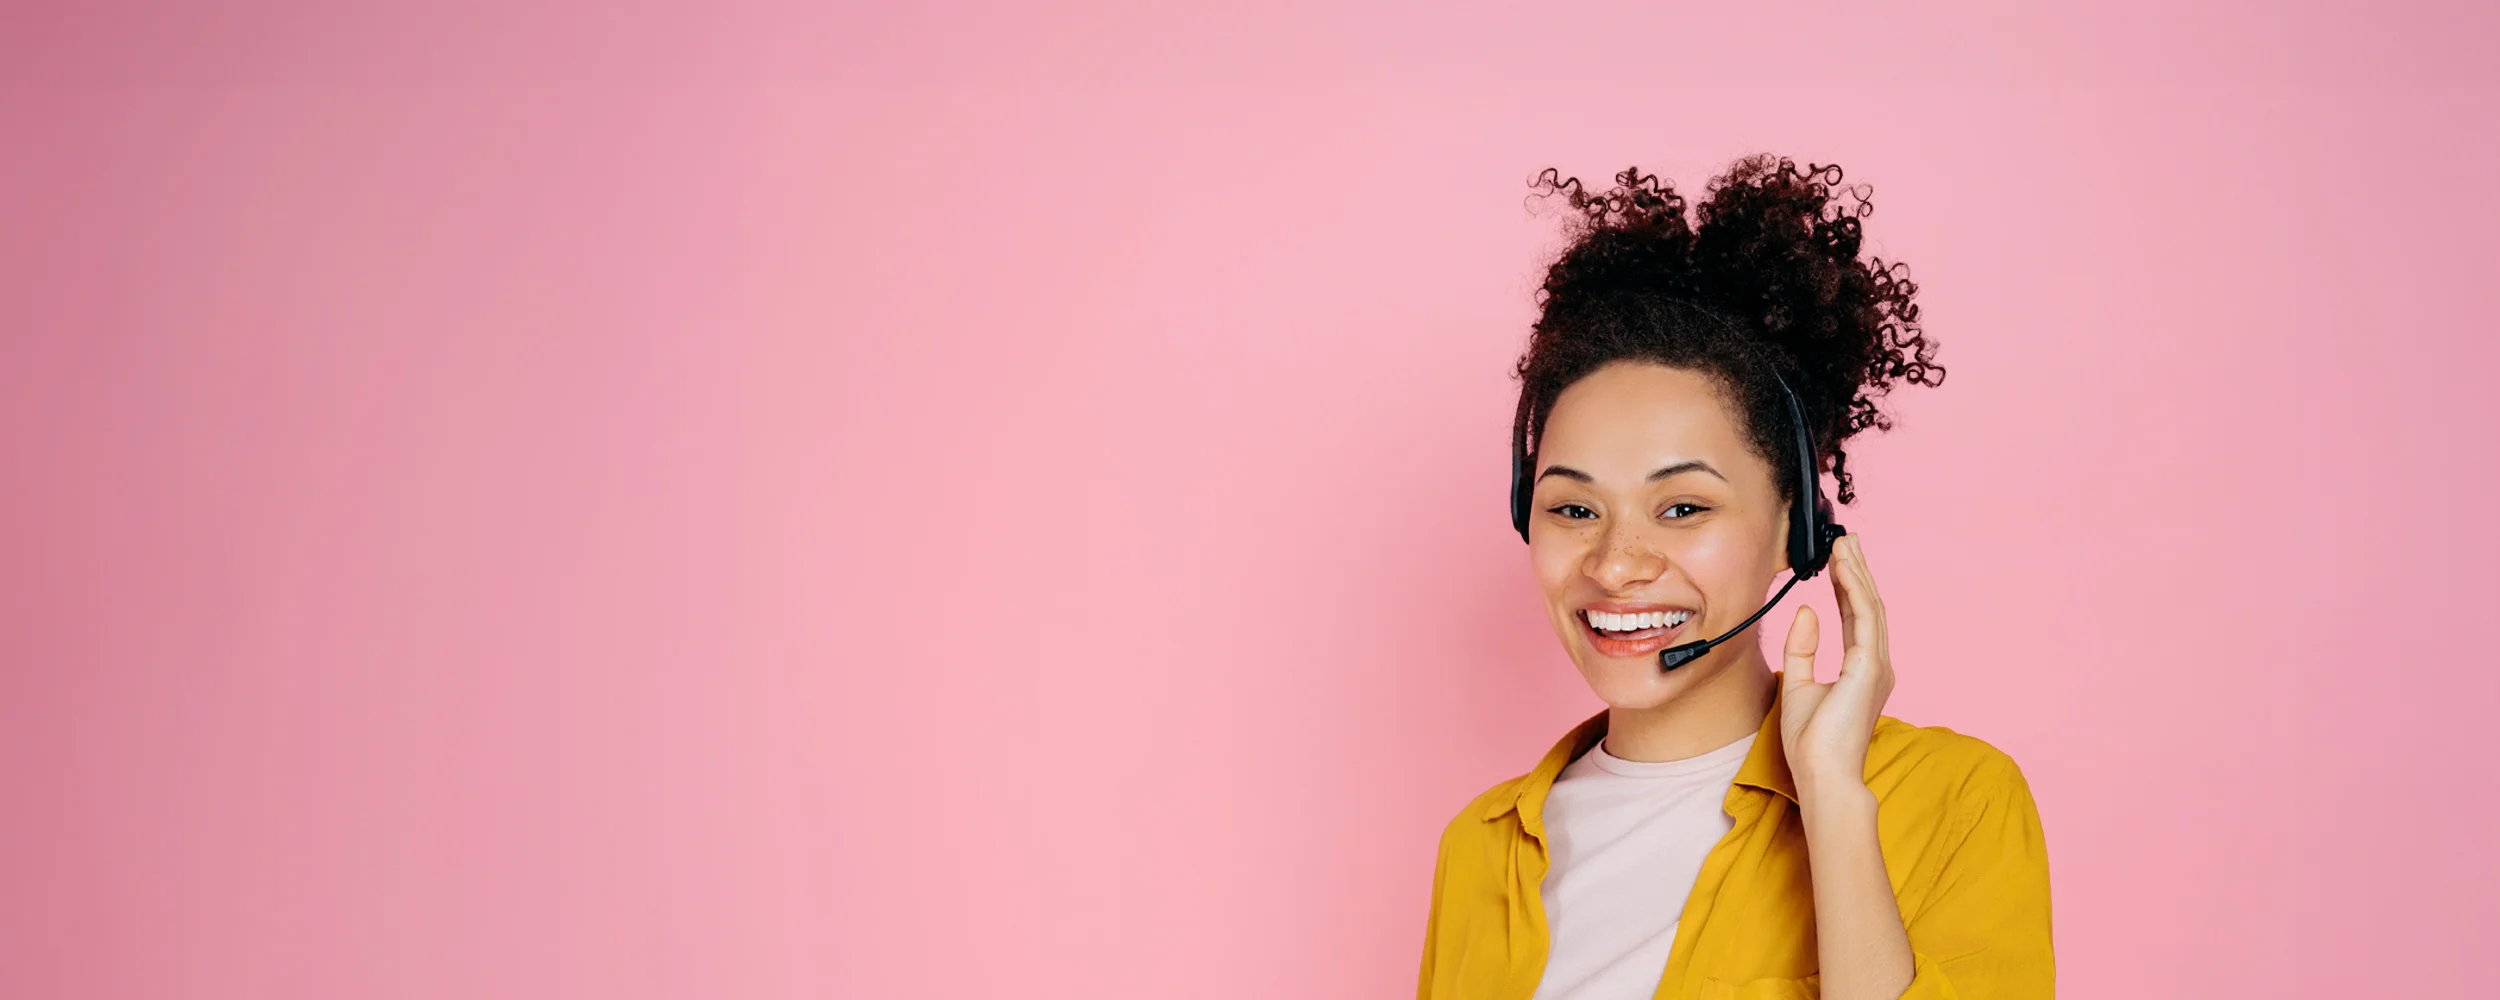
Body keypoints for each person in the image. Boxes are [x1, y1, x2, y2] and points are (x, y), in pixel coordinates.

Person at [1416, 156, 2053, 1000]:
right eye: (1573, 510)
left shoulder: (1953, 800)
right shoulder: (1480, 848)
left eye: (1683, 508)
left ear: (1798, 526)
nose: (1615, 564)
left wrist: (1831, 797)